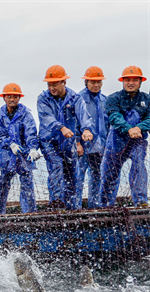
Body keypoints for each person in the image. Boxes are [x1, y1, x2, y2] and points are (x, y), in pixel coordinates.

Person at [37, 65, 95, 210]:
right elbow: (46, 118)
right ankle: (56, 203)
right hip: (49, 141)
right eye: (49, 84)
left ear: (64, 82)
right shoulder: (43, 98)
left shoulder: (75, 98)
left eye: (55, 84)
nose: (52, 88)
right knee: (56, 166)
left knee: (71, 173)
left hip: (68, 142)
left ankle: (71, 207)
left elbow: (83, 115)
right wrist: (61, 127)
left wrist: (86, 130)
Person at [100, 65, 150, 208]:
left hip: (138, 141)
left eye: (135, 80)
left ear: (140, 82)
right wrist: (129, 129)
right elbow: (114, 117)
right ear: (122, 81)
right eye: (127, 79)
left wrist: (139, 127)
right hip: (116, 141)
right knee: (109, 174)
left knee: (139, 164)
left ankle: (141, 201)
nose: (131, 82)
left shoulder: (147, 100)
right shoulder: (113, 98)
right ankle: (105, 205)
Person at [0, 83, 42, 214]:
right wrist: (10, 144)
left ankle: (29, 214)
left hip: (23, 155)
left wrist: (32, 148)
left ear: (19, 98)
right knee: (2, 184)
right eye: (9, 96)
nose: (12, 99)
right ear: (4, 98)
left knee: (27, 184)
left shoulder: (26, 114)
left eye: (15, 96)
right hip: (6, 156)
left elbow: (31, 132)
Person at [74, 66, 108, 210]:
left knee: (97, 177)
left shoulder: (105, 100)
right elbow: (73, 122)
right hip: (83, 148)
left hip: (101, 147)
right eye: (92, 82)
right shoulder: (78, 98)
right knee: (78, 177)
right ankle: (75, 208)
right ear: (86, 82)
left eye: (98, 82)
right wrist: (77, 142)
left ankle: (95, 207)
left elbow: (108, 125)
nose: (96, 85)